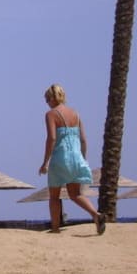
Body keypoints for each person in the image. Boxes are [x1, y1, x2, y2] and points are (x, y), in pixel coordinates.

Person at [40, 83, 105, 235]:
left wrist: (45, 162)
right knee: (76, 194)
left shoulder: (51, 114)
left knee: (54, 196)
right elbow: (83, 139)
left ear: (52, 98)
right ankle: (96, 215)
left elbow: (52, 138)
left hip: (60, 158)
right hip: (77, 157)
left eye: (47, 99)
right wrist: (83, 158)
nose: (47, 103)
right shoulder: (75, 114)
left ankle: (55, 228)